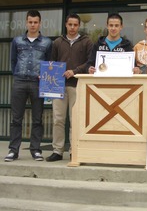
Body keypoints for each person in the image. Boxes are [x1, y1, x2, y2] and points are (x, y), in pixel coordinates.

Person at [5, 10, 52, 162]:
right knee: (16, 119)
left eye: (35, 22)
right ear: (26, 22)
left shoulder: (47, 42)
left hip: (37, 83)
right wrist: (17, 74)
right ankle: (13, 150)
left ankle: (36, 150)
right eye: (30, 22)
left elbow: (49, 63)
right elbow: (13, 61)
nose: (33, 25)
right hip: (20, 82)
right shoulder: (17, 41)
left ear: (40, 23)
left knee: (37, 119)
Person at [46, 13, 93, 162]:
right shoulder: (57, 42)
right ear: (66, 25)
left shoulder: (86, 42)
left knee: (75, 120)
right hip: (58, 86)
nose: (72, 27)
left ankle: (74, 151)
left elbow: (90, 62)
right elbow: (51, 63)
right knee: (58, 119)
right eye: (70, 24)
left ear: (79, 26)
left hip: (77, 85)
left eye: (75, 25)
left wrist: (75, 71)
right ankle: (57, 151)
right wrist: (46, 74)